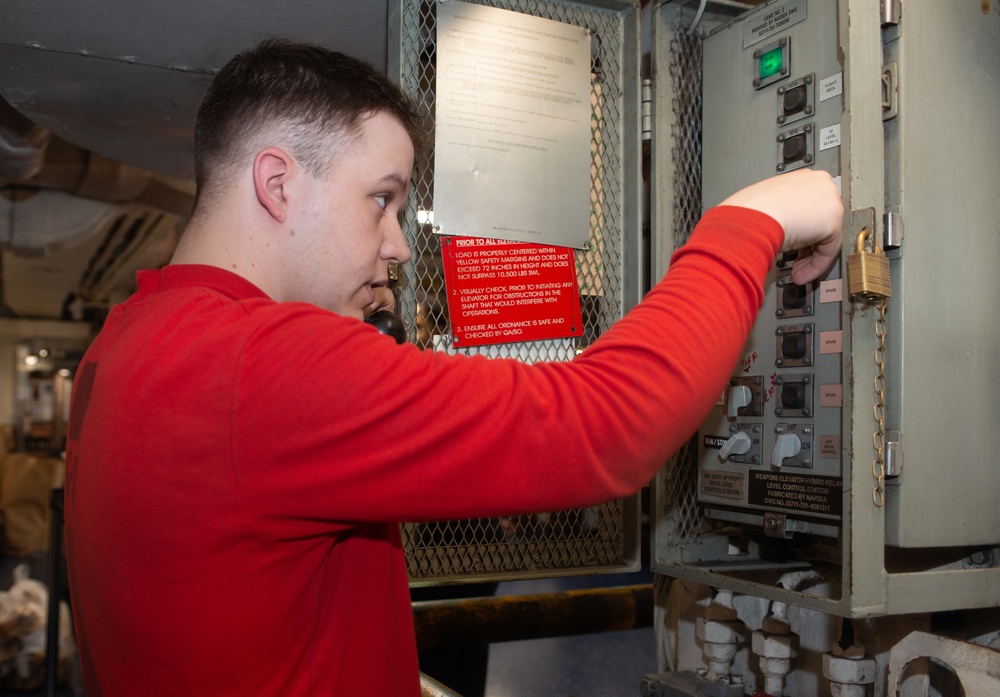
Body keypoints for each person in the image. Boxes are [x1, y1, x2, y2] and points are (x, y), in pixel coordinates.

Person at [63, 37, 843, 697]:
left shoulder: (129, 338)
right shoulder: (258, 364)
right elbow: (604, 425)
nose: (399, 244)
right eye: (381, 198)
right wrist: (751, 222)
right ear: (276, 184)